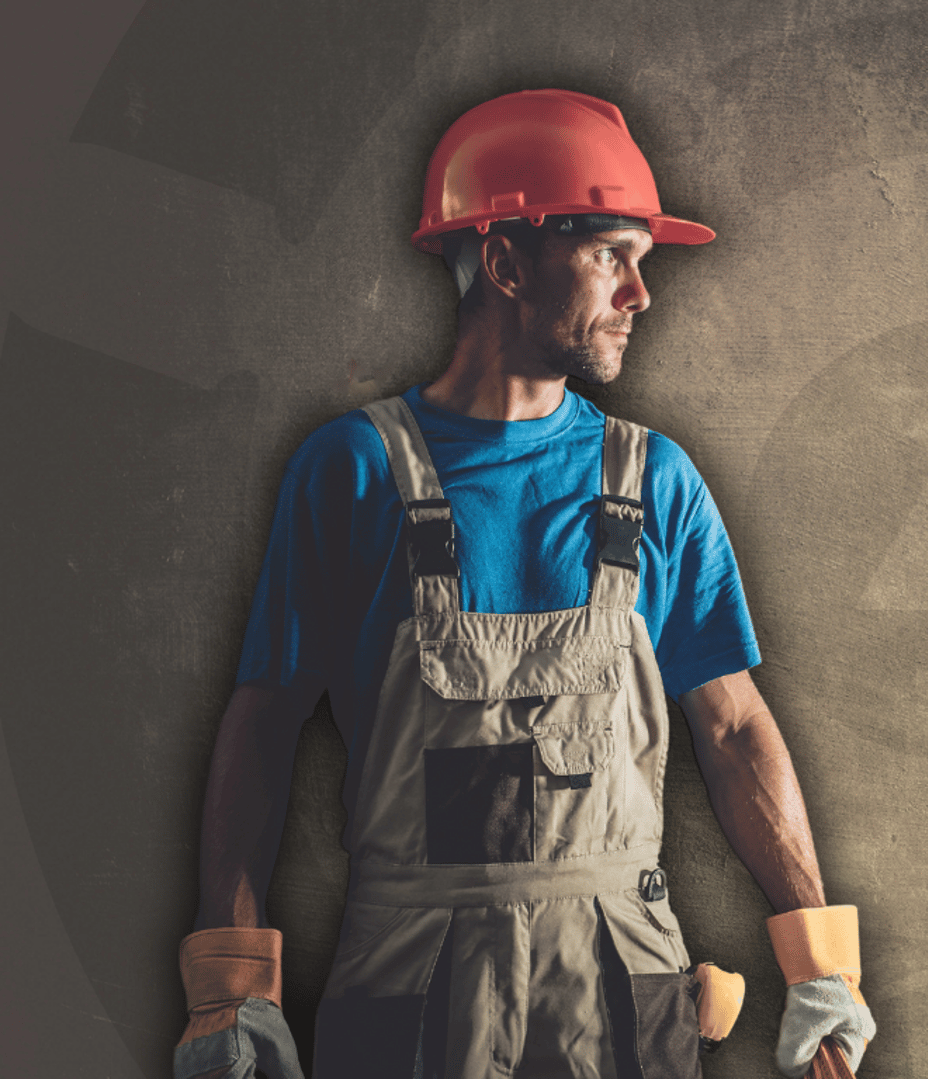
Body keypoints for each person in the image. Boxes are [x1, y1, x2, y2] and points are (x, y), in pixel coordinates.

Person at [171, 88, 876, 1079]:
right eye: (608, 257)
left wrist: (820, 961)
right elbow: (264, 721)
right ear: (503, 261)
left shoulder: (654, 480)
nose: (641, 294)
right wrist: (229, 985)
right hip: (410, 993)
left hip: (619, 994)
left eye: (643, 260)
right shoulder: (352, 472)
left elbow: (730, 727)